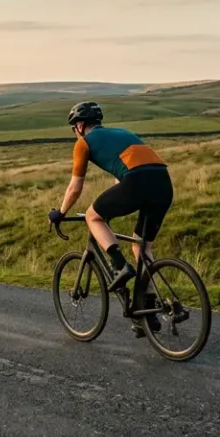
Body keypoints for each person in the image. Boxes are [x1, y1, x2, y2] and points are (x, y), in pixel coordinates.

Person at [48, 101, 173, 332]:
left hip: (137, 182)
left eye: (74, 128)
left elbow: (75, 188)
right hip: (164, 183)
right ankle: (148, 310)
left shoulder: (83, 143)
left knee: (93, 217)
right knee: (142, 250)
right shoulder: (122, 132)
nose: (75, 133)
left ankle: (119, 265)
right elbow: (124, 173)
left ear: (80, 125)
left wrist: (61, 212)